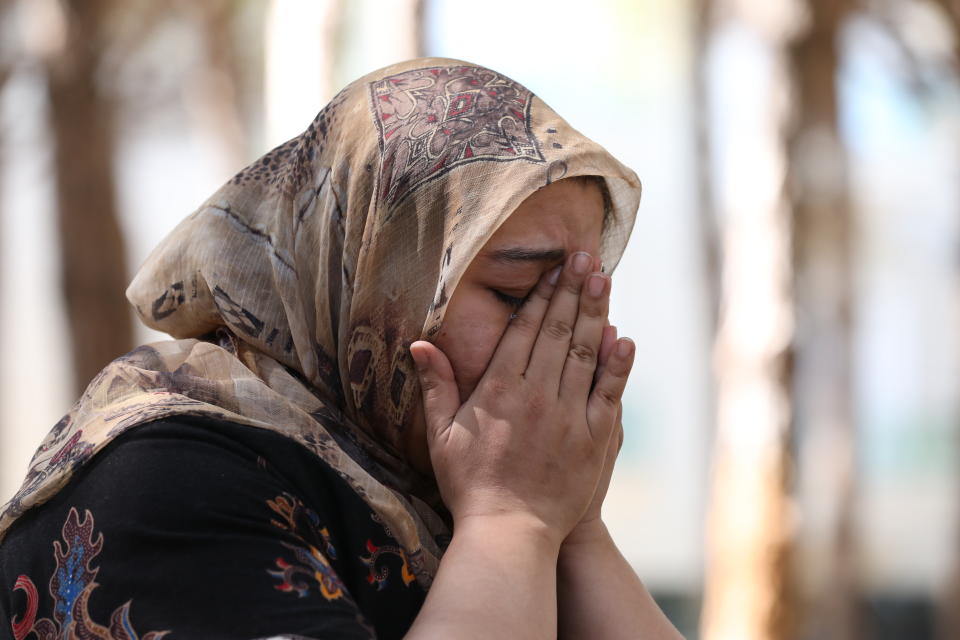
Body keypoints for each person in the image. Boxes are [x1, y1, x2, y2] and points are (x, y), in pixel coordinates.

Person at [0, 58, 681, 639]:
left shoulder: (451, 491)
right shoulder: (167, 480)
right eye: (517, 293)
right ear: (370, 283)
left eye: (584, 299)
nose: (568, 345)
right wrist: (513, 523)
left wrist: (575, 527)